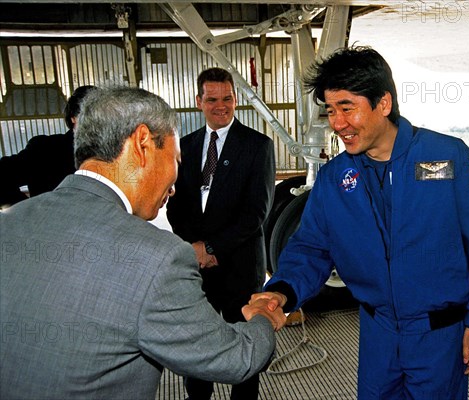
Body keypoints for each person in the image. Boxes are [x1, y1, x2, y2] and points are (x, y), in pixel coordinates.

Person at [252, 46, 469, 399]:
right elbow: (311, 248)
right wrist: (282, 292)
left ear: (383, 104)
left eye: (347, 108)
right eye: (330, 111)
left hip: (439, 336)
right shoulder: (334, 178)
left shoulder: (449, 158)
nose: (337, 123)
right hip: (378, 334)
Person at [0, 86, 286, 400]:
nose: (175, 187)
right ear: (142, 143)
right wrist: (263, 317)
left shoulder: (8, 224)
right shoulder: (157, 257)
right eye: (175, 159)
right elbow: (237, 359)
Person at [166, 67, 276, 400]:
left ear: (235, 98)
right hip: (197, 268)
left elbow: (256, 212)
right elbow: (175, 205)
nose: (221, 106)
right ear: (198, 101)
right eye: (212, 99)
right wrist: (195, 248)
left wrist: (212, 247)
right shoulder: (184, 146)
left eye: (227, 98)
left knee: (244, 345)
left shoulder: (258, 146)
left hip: (239, 267)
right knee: (197, 343)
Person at [0, 85, 96, 206]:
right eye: (91, 114)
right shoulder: (45, 149)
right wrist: (25, 209)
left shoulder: (116, 151)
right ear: (73, 118)